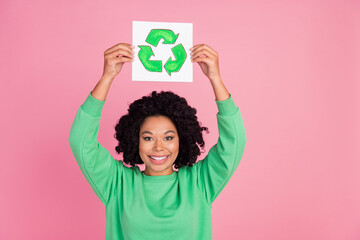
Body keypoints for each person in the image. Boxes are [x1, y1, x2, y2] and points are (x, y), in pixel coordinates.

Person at [68, 43, 247, 240]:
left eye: (168, 137)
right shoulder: (118, 184)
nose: (159, 147)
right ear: (135, 140)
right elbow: (80, 140)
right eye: (148, 138)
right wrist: (107, 77)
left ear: (182, 140)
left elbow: (234, 142)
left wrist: (215, 78)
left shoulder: (199, 182)